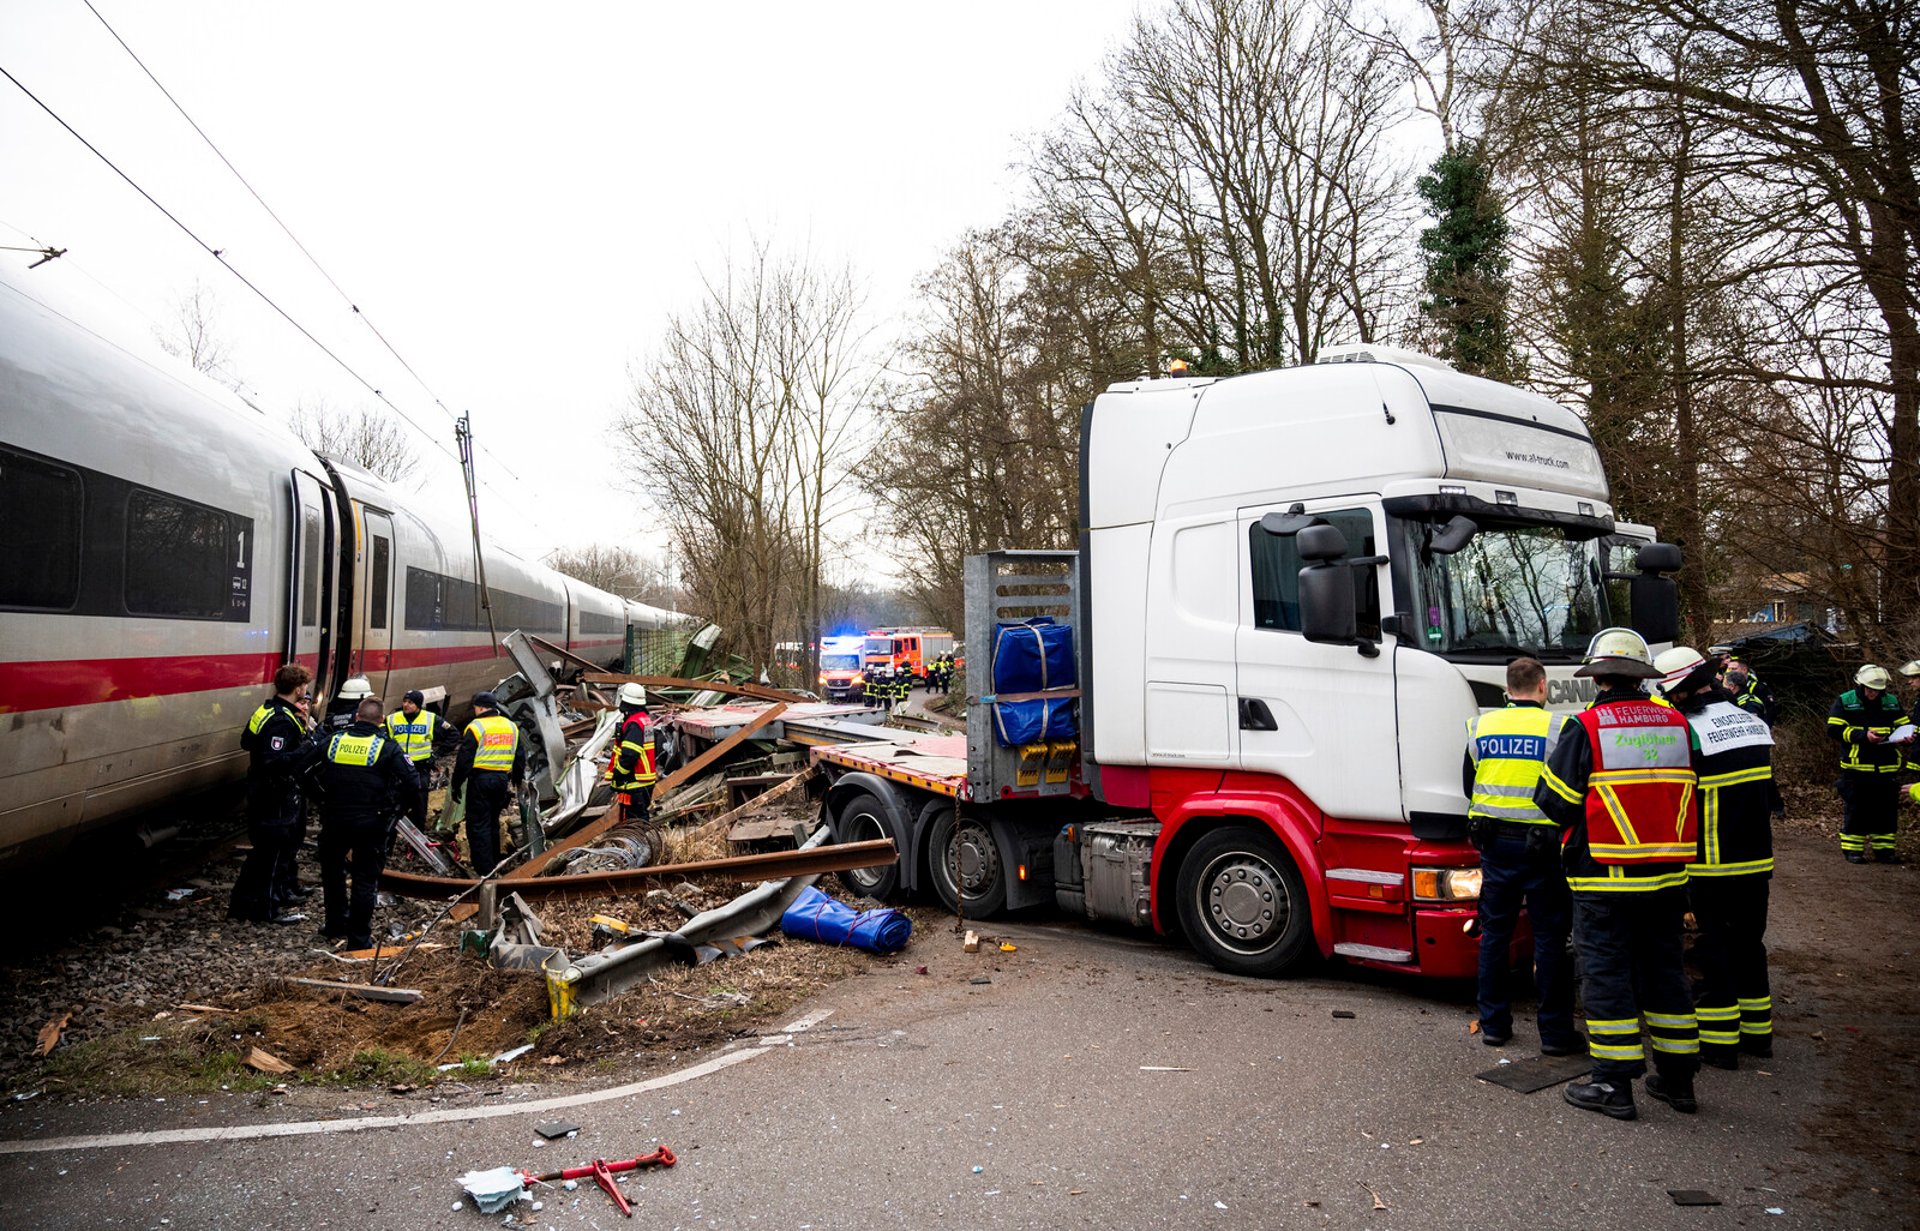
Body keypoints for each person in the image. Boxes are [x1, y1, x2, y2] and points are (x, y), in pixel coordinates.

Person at [1536, 628, 1702, 1121]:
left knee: (1607, 976)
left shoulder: (1587, 727)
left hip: (1605, 878)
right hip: (1668, 876)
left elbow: (1555, 802)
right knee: (1665, 975)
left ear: (1600, 677)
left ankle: (1612, 1084)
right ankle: (1678, 1081)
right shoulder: (1677, 724)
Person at [1655, 646, 1778, 1067]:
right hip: (1756, 860)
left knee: (1712, 949)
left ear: (1683, 691)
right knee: (1750, 944)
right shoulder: (1750, 720)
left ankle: (1719, 1044)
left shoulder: (1688, 731)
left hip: (1712, 863)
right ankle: (1758, 1035)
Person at [1462, 656, 1580, 1055]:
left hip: (1493, 844)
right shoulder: (1559, 727)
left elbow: (1469, 783)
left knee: (1495, 935)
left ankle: (1494, 1025)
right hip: (1544, 847)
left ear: (1507, 689)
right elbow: (1569, 790)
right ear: (1543, 687)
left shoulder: (1481, 725)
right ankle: (1556, 1035)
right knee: (1549, 940)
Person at [316, 696, 418, 949]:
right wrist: (397, 810)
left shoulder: (333, 741)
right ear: (381, 721)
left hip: (334, 818)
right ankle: (359, 940)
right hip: (371, 822)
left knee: (332, 873)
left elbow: (302, 769)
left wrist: (320, 799)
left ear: (357, 717)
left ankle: (334, 924)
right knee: (365, 880)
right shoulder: (387, 747)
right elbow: (413, 783)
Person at [230, 663, 318, 924]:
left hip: (261, 789)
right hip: (274, 794)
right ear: (299, 688)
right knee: (272, 854)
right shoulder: (283, 720)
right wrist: (306, 748)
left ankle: (241, 905)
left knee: (261, 853)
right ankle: (267, 910)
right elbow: (274, 761)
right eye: (305, 687)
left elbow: (247, 741)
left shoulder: (265, 711)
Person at [1827, 665, 1912, 863]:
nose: (1873, 693)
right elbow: (1834, 729)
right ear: (1860, 685)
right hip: (1857, 767)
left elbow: (1903, 724)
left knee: (1886, 811)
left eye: (1877, 690)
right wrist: (1863, 736)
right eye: (1869, 689)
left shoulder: (1891, 701)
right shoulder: (1845, 701)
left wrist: (1908, 736)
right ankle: (1853, 850)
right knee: (1857, 809)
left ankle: (1884, 850)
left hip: (1887, 766)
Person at [450, 691, 525, 876]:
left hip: (481, 780)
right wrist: (517, 778)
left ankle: (484, 869)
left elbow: (464, 759)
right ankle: (494, 860)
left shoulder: (476, 727)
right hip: (501, 780)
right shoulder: (510, 726)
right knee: (492, 821)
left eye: (475, 707)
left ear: (481, 707)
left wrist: (456, 784)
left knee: (477, 824)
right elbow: (520, 755)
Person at [385, 690, 455, 831]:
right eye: (404, 701)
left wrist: (436, 755)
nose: (406, 705)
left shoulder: (430, 718)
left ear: (418, 704)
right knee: (394, 804)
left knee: (419, 805)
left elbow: (453, 734)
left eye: (410, 702)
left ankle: (417, 840)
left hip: (420, 769)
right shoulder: (392, 719)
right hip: (398, 769)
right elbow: (383, 739)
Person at [608, 682, 658, 824]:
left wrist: (618, 773)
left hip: (634, 782)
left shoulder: (634, 724)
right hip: (644, 780)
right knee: (639, 818)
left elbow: (630, 755)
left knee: (635, 822)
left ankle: (640, 845)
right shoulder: (643, 719)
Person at [1721, 654, 1778, 727]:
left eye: (1734, 669)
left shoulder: (1758, 687)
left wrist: (1766, 729)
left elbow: (1771, 711)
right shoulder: (1728, 681)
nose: (1730, 671)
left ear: (1744, 670)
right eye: (1729, 669)